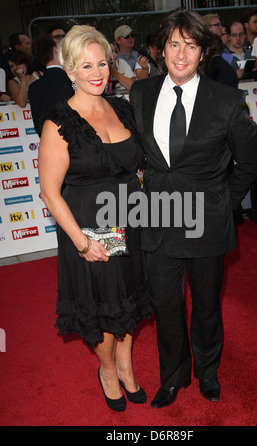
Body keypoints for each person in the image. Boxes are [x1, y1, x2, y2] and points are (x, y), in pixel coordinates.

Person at [130, 8, 257, 408]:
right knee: (165, 306)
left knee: (206, 307)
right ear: (161, 49)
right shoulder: (141, 94)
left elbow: (250, 163)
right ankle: (172, 376)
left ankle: (207, 372)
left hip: (206, 224)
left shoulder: (227, 101)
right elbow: (141, 156)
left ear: (204, 51)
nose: (181, 54)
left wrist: (223, 204)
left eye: (191, 45)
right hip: (157, 221)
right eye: (174, 44)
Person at [38, 24, 152, 412]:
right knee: (105, 308)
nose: (97, 73)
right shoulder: (59, 123)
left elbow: (140, 168)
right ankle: (107, 369)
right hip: (91, 226)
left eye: (102, 63)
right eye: (85, 66)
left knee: (130, 301)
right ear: (69, 71)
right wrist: (83, 242)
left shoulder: (121, 108)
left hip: (131, 222)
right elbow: (50, 192)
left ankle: (126, 363)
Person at [28, 34, 74, 136]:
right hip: (76, 141)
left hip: (49, 141)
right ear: (55, 49)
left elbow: (38, 124)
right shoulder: (71, 79)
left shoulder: (33, 88)